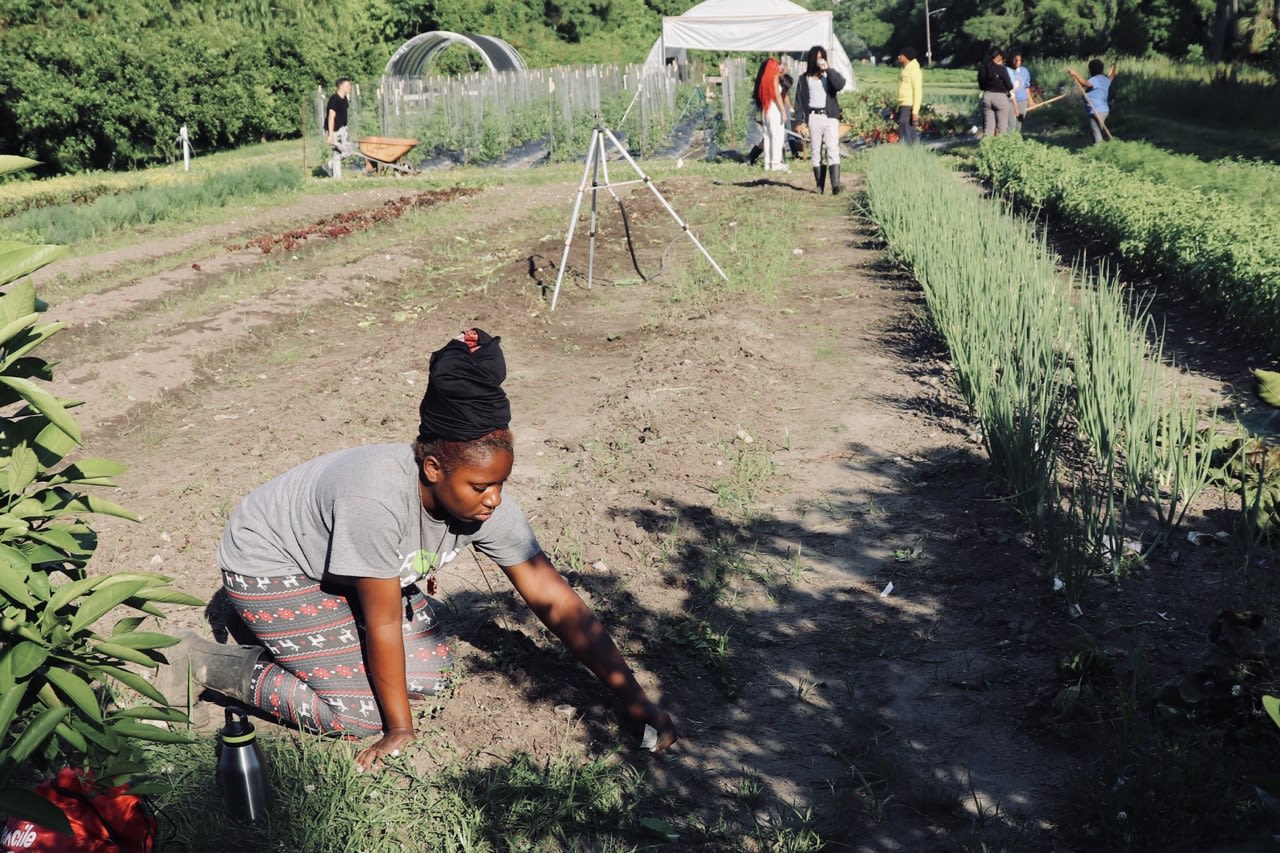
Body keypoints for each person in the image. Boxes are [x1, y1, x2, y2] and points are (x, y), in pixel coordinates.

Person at [156, 328, 679, 772]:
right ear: (433, 470)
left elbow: (556, 600)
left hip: (346, 572)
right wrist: (397, 730)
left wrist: (632, 700)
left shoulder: (484, 503)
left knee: (430, 672)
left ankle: (305, 638)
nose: (494, 500)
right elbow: (382, 624)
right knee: (357, 713)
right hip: (272, 565)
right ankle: (205, 661)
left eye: (501, 483)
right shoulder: (375, 501)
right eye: (480, 486)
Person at [794, 45, 847, 195]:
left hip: (830, 117)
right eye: (816, 58)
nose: (819, 61)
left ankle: (836, 185)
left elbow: (840, 84)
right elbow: (799, 101)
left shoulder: (829, 76)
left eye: (821, 57)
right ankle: (819, 185)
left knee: (832, 148)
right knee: (815, 150)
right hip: (813, 117)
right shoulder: (804, 79)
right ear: (811, 59)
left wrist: (828, 70)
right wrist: (799, 121)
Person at [1067, 58, 1118, 144]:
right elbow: (1112, 76)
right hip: (1104, 111)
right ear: (1102, 69)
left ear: (1090, 70)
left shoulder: (1095, 79)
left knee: (1096, 133)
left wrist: (1075, 73)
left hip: (1096, 111)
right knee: (1096, 130)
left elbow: (1085, 83)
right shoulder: (1105, 80)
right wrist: (1114, 68)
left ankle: (1098, 150)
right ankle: (1097, 147)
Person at [753, 57, 790, 173]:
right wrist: (783, 111)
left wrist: (781, 68)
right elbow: (777, 96)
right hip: (774, 110)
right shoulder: (774, 78)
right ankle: (776, 163)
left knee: (767, 137)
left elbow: (785, 70)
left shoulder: (763, 81)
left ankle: (767, 163)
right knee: (777, 137)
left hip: (766, 110)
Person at [978, 46, 1015, 137]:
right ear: (998, 56)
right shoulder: (1001, 69)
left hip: (987, 97)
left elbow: (981, 86)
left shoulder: (983, 69)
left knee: (988, 128)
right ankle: (1000, 148)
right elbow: (1009, 86)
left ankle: (986, 148)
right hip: (1000, 97)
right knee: (1002, 128)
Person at [325, 78, 353, 178]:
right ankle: (335, 174)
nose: (349, 87)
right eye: (347, 85)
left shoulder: (344, 98)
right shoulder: (334, 99)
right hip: (334, 130)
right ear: (341, 86)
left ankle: (332, 169)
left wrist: (345, 129)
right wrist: (330, 134)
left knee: (347, 151)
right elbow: (331, 117)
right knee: (343, 152)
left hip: (342, 129)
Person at [895, 47, 923, 146]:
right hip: (903, 104)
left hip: (909, 104)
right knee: (904, 128)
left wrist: (915, 111)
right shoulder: (904, 69)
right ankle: (911, 150)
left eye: (901, 55)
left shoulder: (914, 70)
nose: (899, 57)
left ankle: (911, 150)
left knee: (906, 128)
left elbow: (918, 91)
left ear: (907, 57)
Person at [1009, 52, 1032, 132]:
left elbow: (1026, 87)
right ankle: (1009, 141)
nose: (1017, 62)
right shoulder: (1008, 70)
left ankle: (1017, 141)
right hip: (1010, 101)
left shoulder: (1025, 71)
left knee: (1019, 123)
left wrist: (1030, 101)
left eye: (1019, 60)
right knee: (1011, 124)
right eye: (1015, 60)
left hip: (1022, 101)